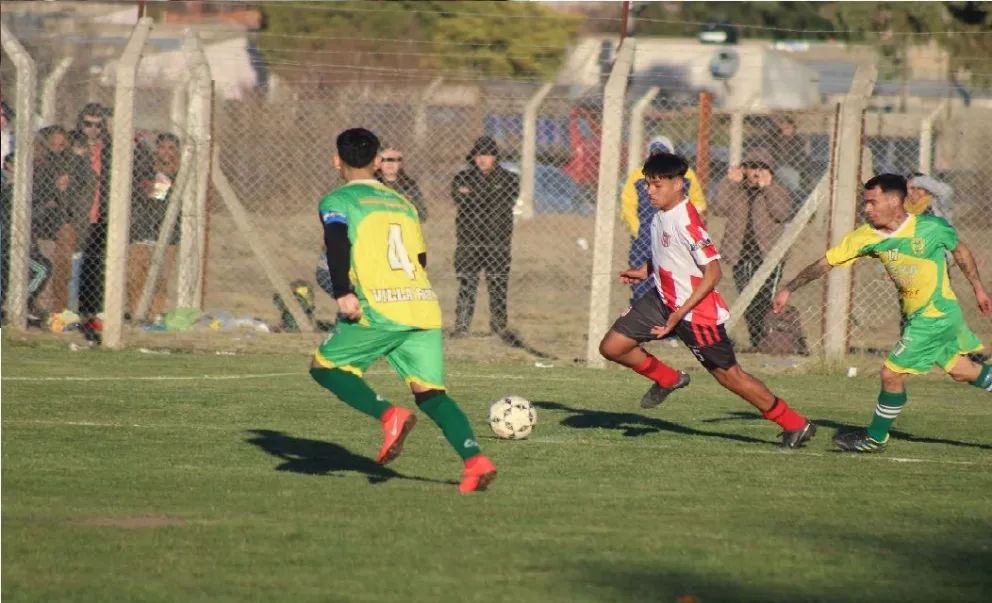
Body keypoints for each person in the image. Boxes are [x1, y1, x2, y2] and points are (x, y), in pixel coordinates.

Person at [309, 127, 497, 493]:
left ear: (336, 160)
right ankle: (475, 461)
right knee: (430, 393)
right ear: (378, 162)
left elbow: (335, 241)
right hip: (423, 306)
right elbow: (420, 257)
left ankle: (389, 415)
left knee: (326, 367)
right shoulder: (402, 202)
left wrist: (344, 292)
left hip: (379, 306)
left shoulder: (338, 200)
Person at [598, 152, 816, 449]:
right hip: (663, 298)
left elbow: (712, 273)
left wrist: (677, 316)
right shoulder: (660, 215)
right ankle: (668, 379)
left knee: (730, 377)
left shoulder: (688, 223)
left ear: (678, 185)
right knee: (613, 346)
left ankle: (795, 423)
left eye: (657, 185)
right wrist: (645, 270)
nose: (650, 191)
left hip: (694, 312)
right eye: (647, 184)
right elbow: (670, 254)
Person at [773, 173, 992, 453]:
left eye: (872, 203)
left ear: (894, 201)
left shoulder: (931, 227)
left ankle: (875, 437)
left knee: (890, 374)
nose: (867, 209)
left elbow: (960, 251)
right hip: (919, 317)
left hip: (935, 315)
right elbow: (826, 262)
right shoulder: (866, 236)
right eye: (865, 204)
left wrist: (978, 288)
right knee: (963, 371)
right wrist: (789, 288)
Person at [711, 148, 793, 350]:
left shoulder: (777, 189)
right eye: (752, 167)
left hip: (768, 255)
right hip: (741, 252)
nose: (756, 172)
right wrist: (729, 182)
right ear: (744, 169)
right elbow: (719, 208)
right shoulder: (735, 189)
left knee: (766, 299)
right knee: (748, 298)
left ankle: (768, 340)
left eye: (762, 168)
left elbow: (781, 213)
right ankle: (757, 340)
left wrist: (768, 188)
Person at [620, 135, 708, 301]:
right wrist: (638, 230)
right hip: (648, 236)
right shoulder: (639, 174)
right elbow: (627, 206)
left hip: (670, 234)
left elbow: (698, 204)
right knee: (644, 284)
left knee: (671, 281)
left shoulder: (685, 175)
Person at [451, 135, 520, 341]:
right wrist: (482, 196)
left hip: (497, 240)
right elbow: (461, 199)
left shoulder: (509, 179)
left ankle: (499, 327)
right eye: (479, 155)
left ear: (495, 158)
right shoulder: (462, 177)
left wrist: (474, 196)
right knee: (466, 284)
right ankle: (461, 327)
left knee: (498, 284)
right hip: (469, 240)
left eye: (487, 155)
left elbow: (503, 200)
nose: (482, 159)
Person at [374, 145, 427, 221]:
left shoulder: (409, 185)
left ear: (400, 163)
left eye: (394, 160)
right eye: (386, 160)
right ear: (378, 162)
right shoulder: (372, 183)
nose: (390, 164)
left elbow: (422, 215)